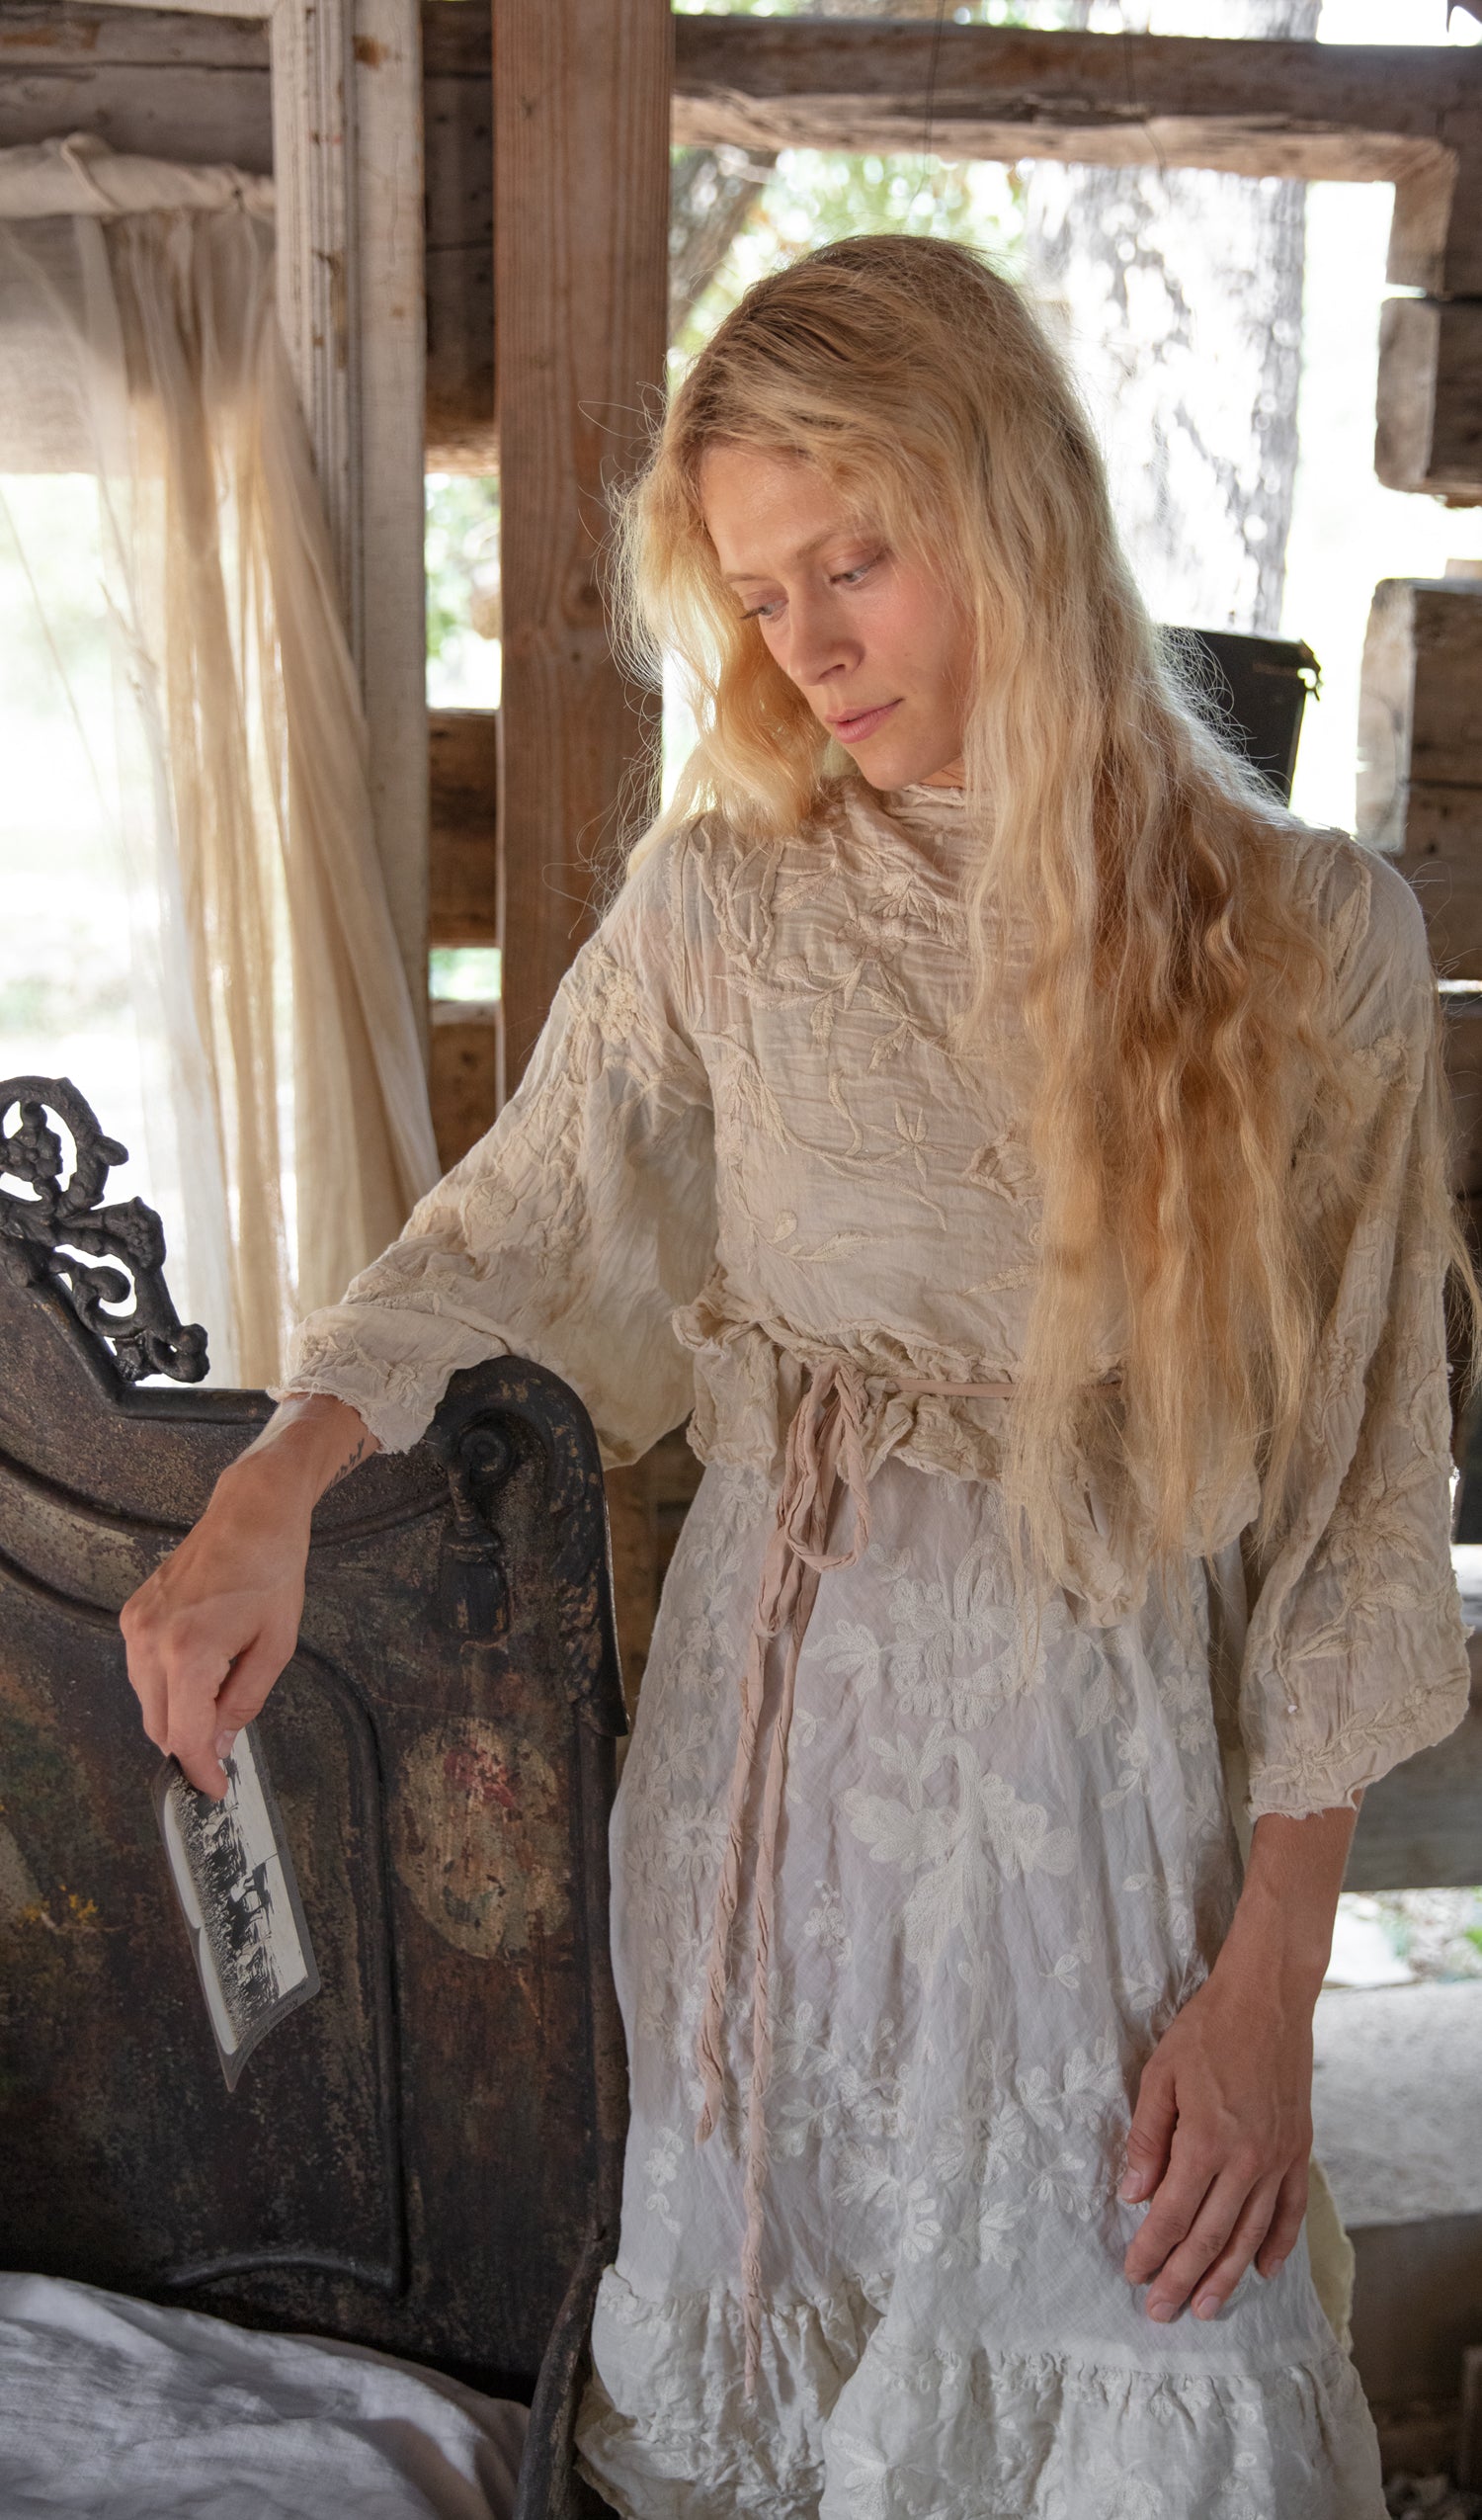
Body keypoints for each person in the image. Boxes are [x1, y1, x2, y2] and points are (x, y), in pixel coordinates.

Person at [120, 234, 1479, 2519]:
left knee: (1142, 2388)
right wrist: (272, 1488)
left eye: (856, 562)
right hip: (755, 1817)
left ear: (1014, 510)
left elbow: (1354, 1502)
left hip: (1093, 1836)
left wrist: (1271, 1985)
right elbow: (514, 1229)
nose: (810, 647)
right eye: (759, 596)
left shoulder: (1310, 932)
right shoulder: (723, 907)